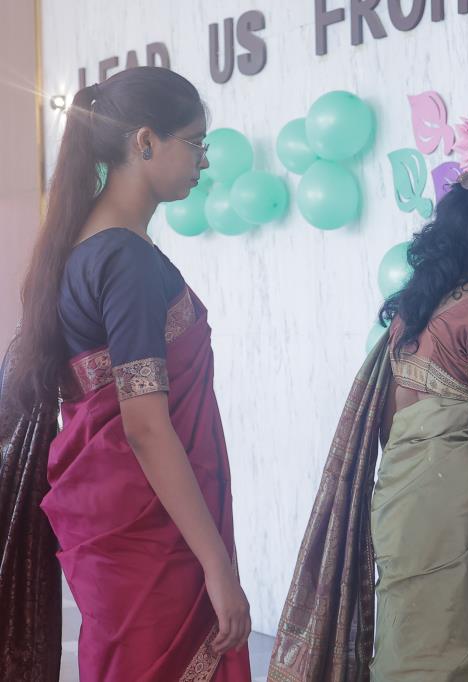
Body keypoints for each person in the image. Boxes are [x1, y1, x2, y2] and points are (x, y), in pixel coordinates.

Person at [1, 67, 251, 680]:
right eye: (195, 143)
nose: (204, 161)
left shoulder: (80, 247)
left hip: (118, 517)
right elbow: (145, 426)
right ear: (145, 142)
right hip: (153, 531)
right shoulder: (125, 259)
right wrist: (217, 566)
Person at [270, 167, 468, 681]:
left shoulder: (415, 311)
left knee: (412, 656)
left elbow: (394, 429)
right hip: (464, 528)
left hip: (401, 514)